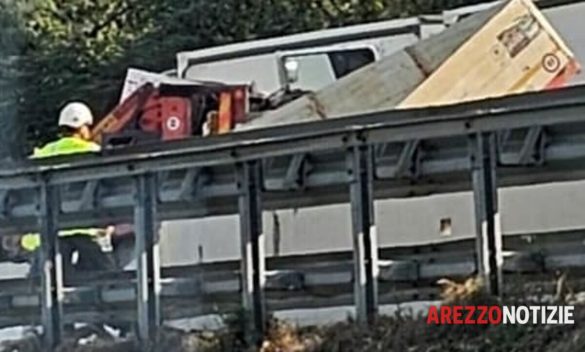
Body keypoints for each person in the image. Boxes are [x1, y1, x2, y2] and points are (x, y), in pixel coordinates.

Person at [20, 102, 117, 280]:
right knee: (107, 279)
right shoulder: (94, 152)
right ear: (82, 128)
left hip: (51, 232)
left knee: (43, 283)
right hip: (86, 229)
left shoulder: (44, 153)